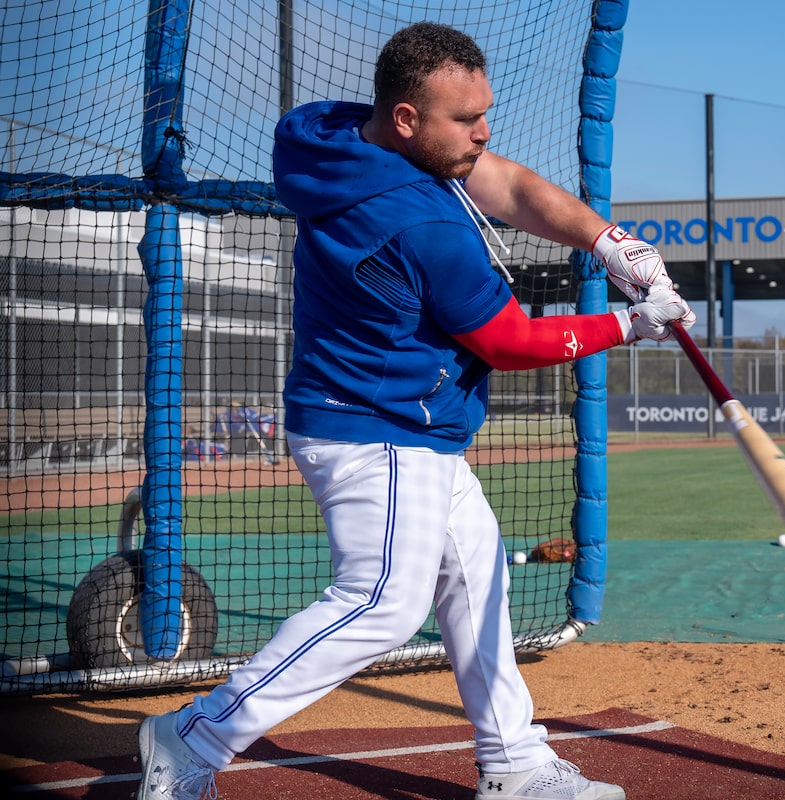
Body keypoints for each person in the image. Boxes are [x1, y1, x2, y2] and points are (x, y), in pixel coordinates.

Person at [135, 21, 693, 800]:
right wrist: (629, 325)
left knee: (476, 577)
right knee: (382, 602)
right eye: (465, 121)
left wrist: (608, 240)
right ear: (406, 120)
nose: (483, 131)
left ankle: (516, 763)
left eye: (483, 110)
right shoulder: (422, 226)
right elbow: (509, 340)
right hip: (380, 430)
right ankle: (192, 736)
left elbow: (502, 181)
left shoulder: (319, 134)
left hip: (388, 421)